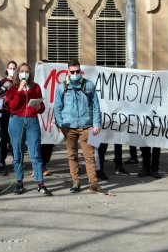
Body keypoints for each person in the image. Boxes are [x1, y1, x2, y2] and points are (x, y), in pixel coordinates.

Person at [53, 60, 104, 194]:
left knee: (90, 156)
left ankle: (93, 183)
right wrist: (60, 123)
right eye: (72, 72)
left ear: (81, 71)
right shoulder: (61, 87)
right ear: (68, 72)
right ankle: (76, 182)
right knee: (72, 155)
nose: (75, 74)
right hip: (69, 127)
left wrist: (97, 124)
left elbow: (96, 106)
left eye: (77, 71)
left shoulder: (89, 85)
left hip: (87, 126)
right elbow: (57, 107)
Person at [6, 63, 52, 196]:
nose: (24, 73)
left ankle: (40, 183)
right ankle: (19, 183)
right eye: (21, 71)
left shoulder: (35, 87)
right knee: (18, 154)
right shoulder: (13, 88)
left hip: (32, 121)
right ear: (17, 73)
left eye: (27, 71)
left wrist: (39, 107)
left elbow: (42, 107)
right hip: (16, 121)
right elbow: (13, 106)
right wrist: (20, 90)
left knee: (35, 153)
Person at [0, 60, 17, 168]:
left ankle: (17, 161)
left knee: (15, 139)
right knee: (4, 138)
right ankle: (2, 160)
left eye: (14, 68)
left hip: (16, 113)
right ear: (6, 69)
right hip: (5, 112)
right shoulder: (2, 82)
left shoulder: (19, 82)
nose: (12, 70)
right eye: (10, 68)